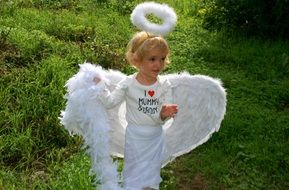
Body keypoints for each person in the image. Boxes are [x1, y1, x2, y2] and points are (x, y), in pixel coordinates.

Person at [93, 31, 178, 190]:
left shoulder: (164, 85)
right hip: (135, 136)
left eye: (162, 58)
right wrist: (100, 87)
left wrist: (164, 114)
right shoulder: (128, 84)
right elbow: (110, 102)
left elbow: (164, 114)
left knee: (151, 172)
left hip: (155, 137)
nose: (158, 64)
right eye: (152, 59)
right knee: (134, 170)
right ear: (138, 60)